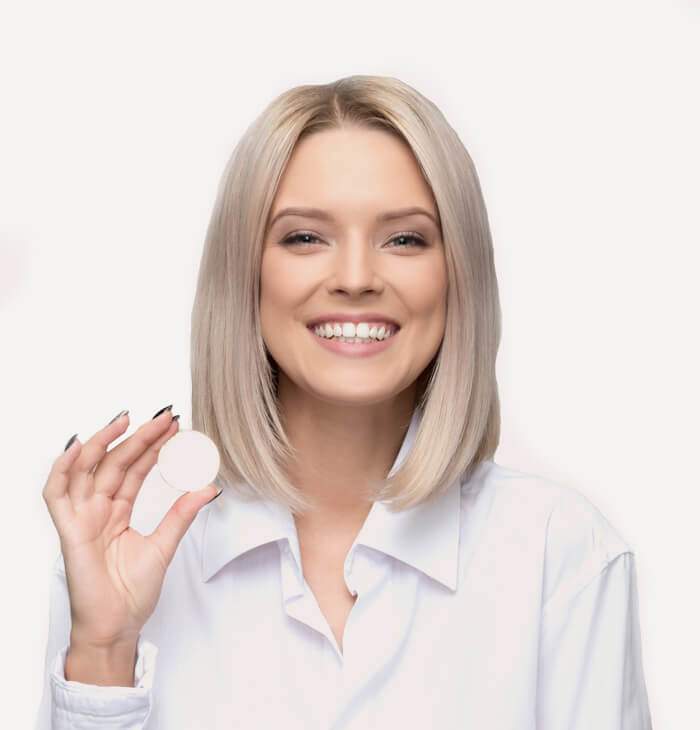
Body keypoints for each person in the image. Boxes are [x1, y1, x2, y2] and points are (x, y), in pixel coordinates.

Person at [35, 75, 654, 729]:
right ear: (245, 273)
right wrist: (103, 650)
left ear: (458, 273)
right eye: (305, 238)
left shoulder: (562, 553)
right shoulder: (127, 549)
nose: (356, 278)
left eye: (405, 239)